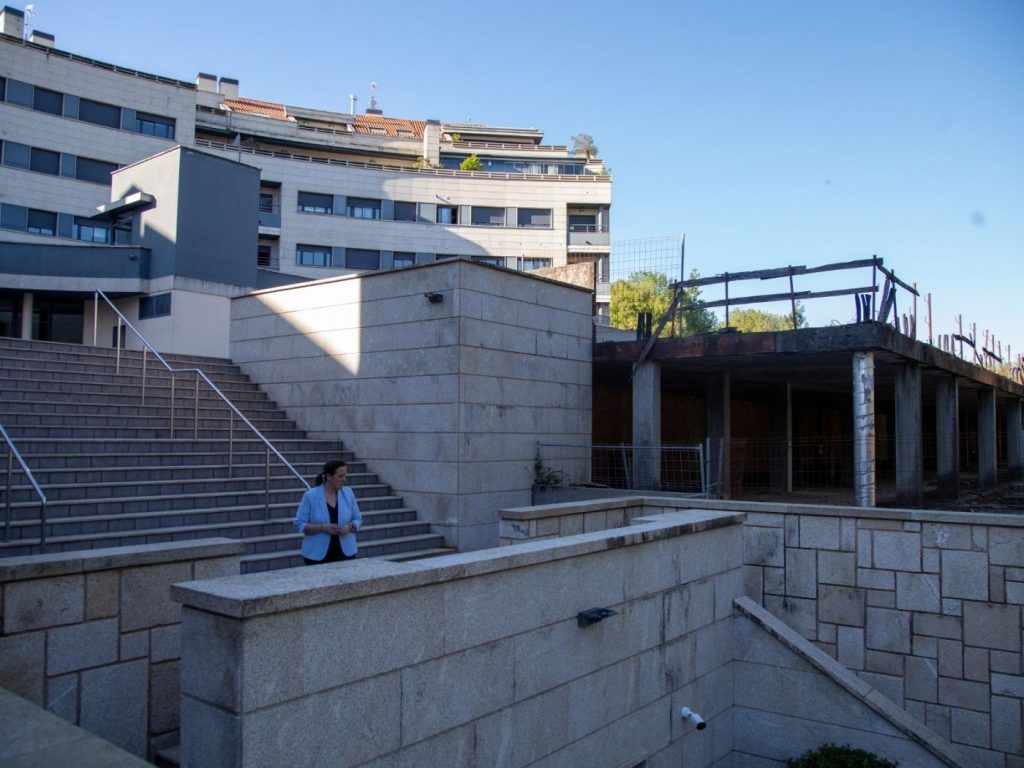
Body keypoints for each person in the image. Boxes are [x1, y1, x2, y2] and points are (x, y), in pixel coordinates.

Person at [294, 459, 362, 565]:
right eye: (340, 476)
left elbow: (358, 519)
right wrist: (322, 528)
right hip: (316, 555)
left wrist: (349, 527)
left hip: (346, 553)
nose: (344, 479)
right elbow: (299, 523)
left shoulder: (348, 493)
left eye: (345, 476)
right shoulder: (310, 496)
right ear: (329, 476)